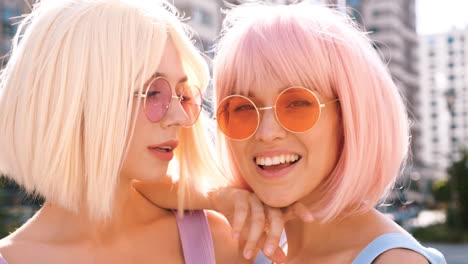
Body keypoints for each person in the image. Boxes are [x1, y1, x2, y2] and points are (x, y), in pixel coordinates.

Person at [0, 0, 284, 263]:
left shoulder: (218, 239)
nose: (181, 117)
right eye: (152, 92)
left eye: (182, 94)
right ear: (77, 100)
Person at [212, 2, 447, 263]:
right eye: (243, 108)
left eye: (297, 104)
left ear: (349, 116)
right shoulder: (247, 249)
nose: (266, 132)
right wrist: (215, 196)